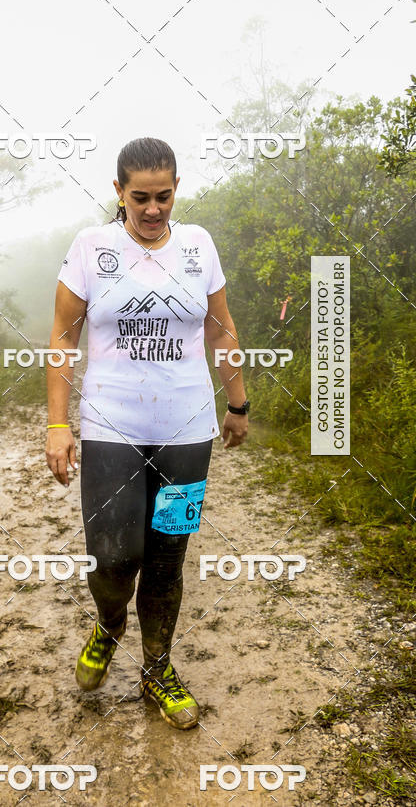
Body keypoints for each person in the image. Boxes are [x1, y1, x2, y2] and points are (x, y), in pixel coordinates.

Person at [45, 137, 249, 730]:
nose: (153, 209)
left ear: (176, 189)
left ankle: (157, 669)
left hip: (187, 432)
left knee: (166, 558)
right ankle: (109, 624)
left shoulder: (198, 246)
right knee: (114, 557)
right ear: (119, 191)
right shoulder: (91, 247)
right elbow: (63, 338)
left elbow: (221, 330)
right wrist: (58, 424)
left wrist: (238, 402)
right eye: (140, 198)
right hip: (111, 426)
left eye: (163, 196)